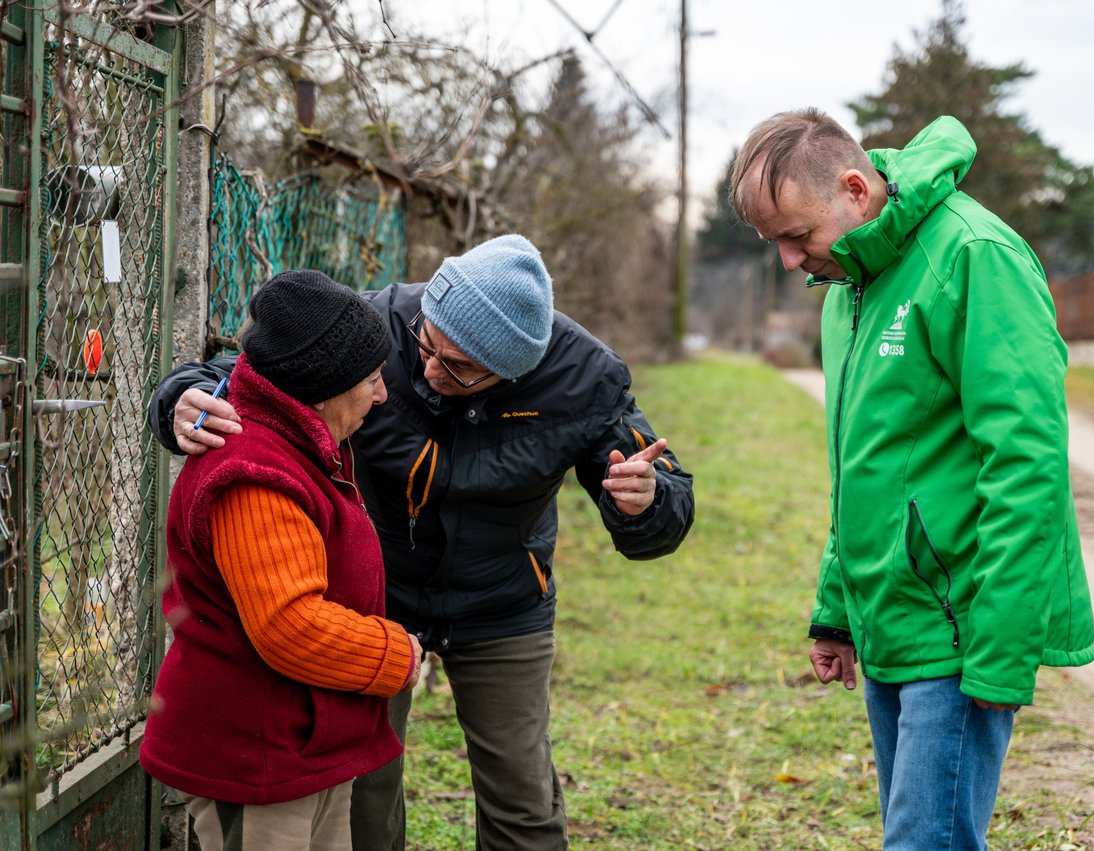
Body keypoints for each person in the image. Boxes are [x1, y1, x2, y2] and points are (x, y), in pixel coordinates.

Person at [147, 234, 695, 850]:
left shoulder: (585, 380)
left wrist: (646, 503)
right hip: (373, 597)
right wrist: (180, 398)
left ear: (513, 372)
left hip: (502, 603)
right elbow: (257, 377)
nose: (428, 371)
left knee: (522, 794)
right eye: (424, 346)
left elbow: (666, 494)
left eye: (457, 367)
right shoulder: (380, 322)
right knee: (361, 788)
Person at [730, 110, 1094, 850]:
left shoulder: (973, 254)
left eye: (797, 236)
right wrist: (836, 606)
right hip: (890, 619)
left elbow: (1028, 465)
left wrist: (1000, 648)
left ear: (856, 191)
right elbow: (864, 467)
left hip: (960, 626)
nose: (791, 262)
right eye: (775, 244)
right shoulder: (849, 289)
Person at [140, 270, 422, 851]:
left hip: (301, 746)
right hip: (256, 760)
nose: (383, 394)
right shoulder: (257, 475)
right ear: (325, 386)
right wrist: (397, 653)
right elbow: (291, 626)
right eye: (371, 379)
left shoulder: (303, 445)